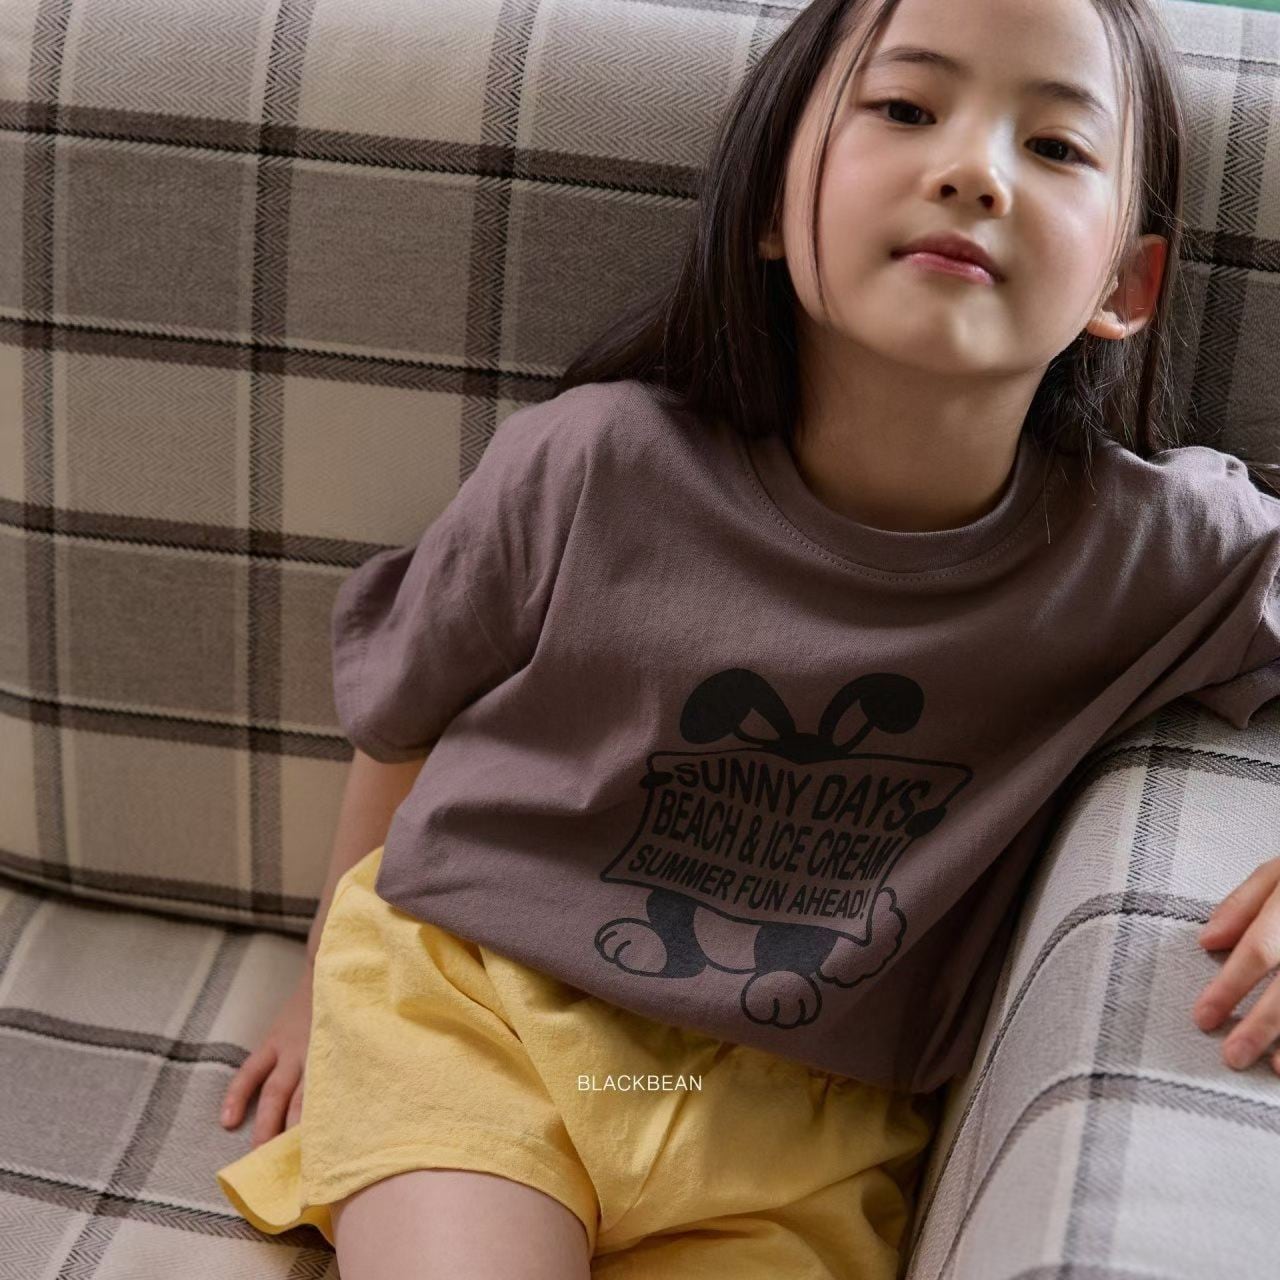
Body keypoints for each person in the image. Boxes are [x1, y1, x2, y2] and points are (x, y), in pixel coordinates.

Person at [215, 0, 1280, 1274]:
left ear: (1122, 285)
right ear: (774, 203)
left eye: (1054, 146)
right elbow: (402, 707)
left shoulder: (1150, 551)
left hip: (810, 1126)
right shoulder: (593, 462)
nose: (971, 171)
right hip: (478, 1004)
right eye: (904, 108)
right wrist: (320, 982)